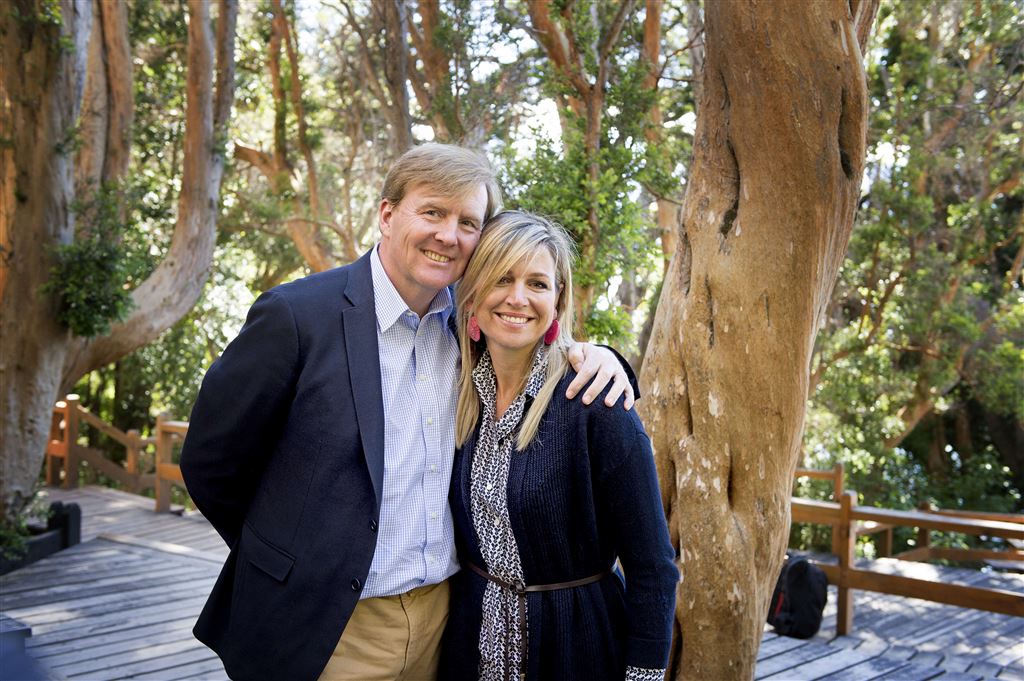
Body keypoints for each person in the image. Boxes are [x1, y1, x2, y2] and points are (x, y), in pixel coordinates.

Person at [179, 144, 637, 681]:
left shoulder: (471, 326)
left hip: (447, 624)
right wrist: (285, 557)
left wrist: (604, 358)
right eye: (433, 212)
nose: (449, 235)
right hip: (330, 626)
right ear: (387, 214)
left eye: (468, 222)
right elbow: (210, 462)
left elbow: (541, 340)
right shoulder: (297, 317)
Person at [440, 211, 677, 681]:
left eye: (537, 284)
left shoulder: (596, 403)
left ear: (558, 299)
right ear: (472, 292)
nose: (518, 298)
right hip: (473, 649)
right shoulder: (457, 388)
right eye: (501, 278)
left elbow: (653, 568)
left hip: (576, 649)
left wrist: (644, 675)